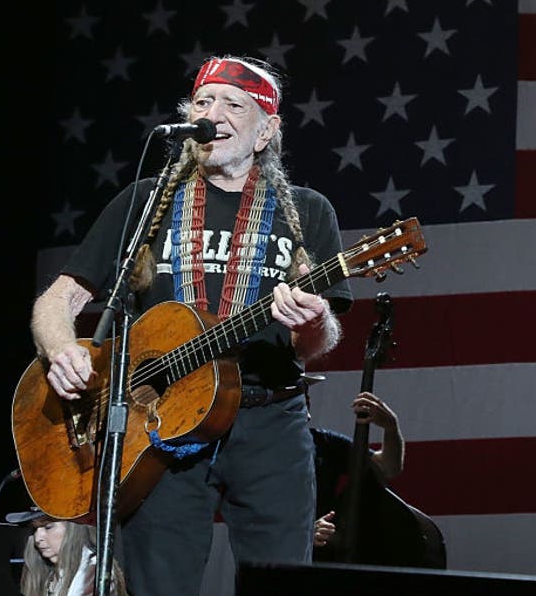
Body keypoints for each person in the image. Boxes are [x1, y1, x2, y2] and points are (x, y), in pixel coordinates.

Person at [30, 54, 352, 595]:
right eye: (203, 102)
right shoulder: (147, 201)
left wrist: (315, 319)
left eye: (234, 104)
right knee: (159, 585)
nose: (213, 113)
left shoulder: (307, 210)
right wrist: (63, 350)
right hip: (157, 423)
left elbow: (315, 343)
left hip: (267, 419)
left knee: (282, 582)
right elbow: (57, 301)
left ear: (266, 131)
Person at [311, 391, 405, 550]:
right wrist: (302, 534)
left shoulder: (322, 442)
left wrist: (390, 427)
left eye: (305, 390)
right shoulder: (259, 452)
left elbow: (387, 468)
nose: (305, 398)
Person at [8, 507, 128, 596]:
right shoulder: (50, 573)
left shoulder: (94, 570)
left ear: (72, 529)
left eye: (48, 527)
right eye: (34, 530)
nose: (38, 538)